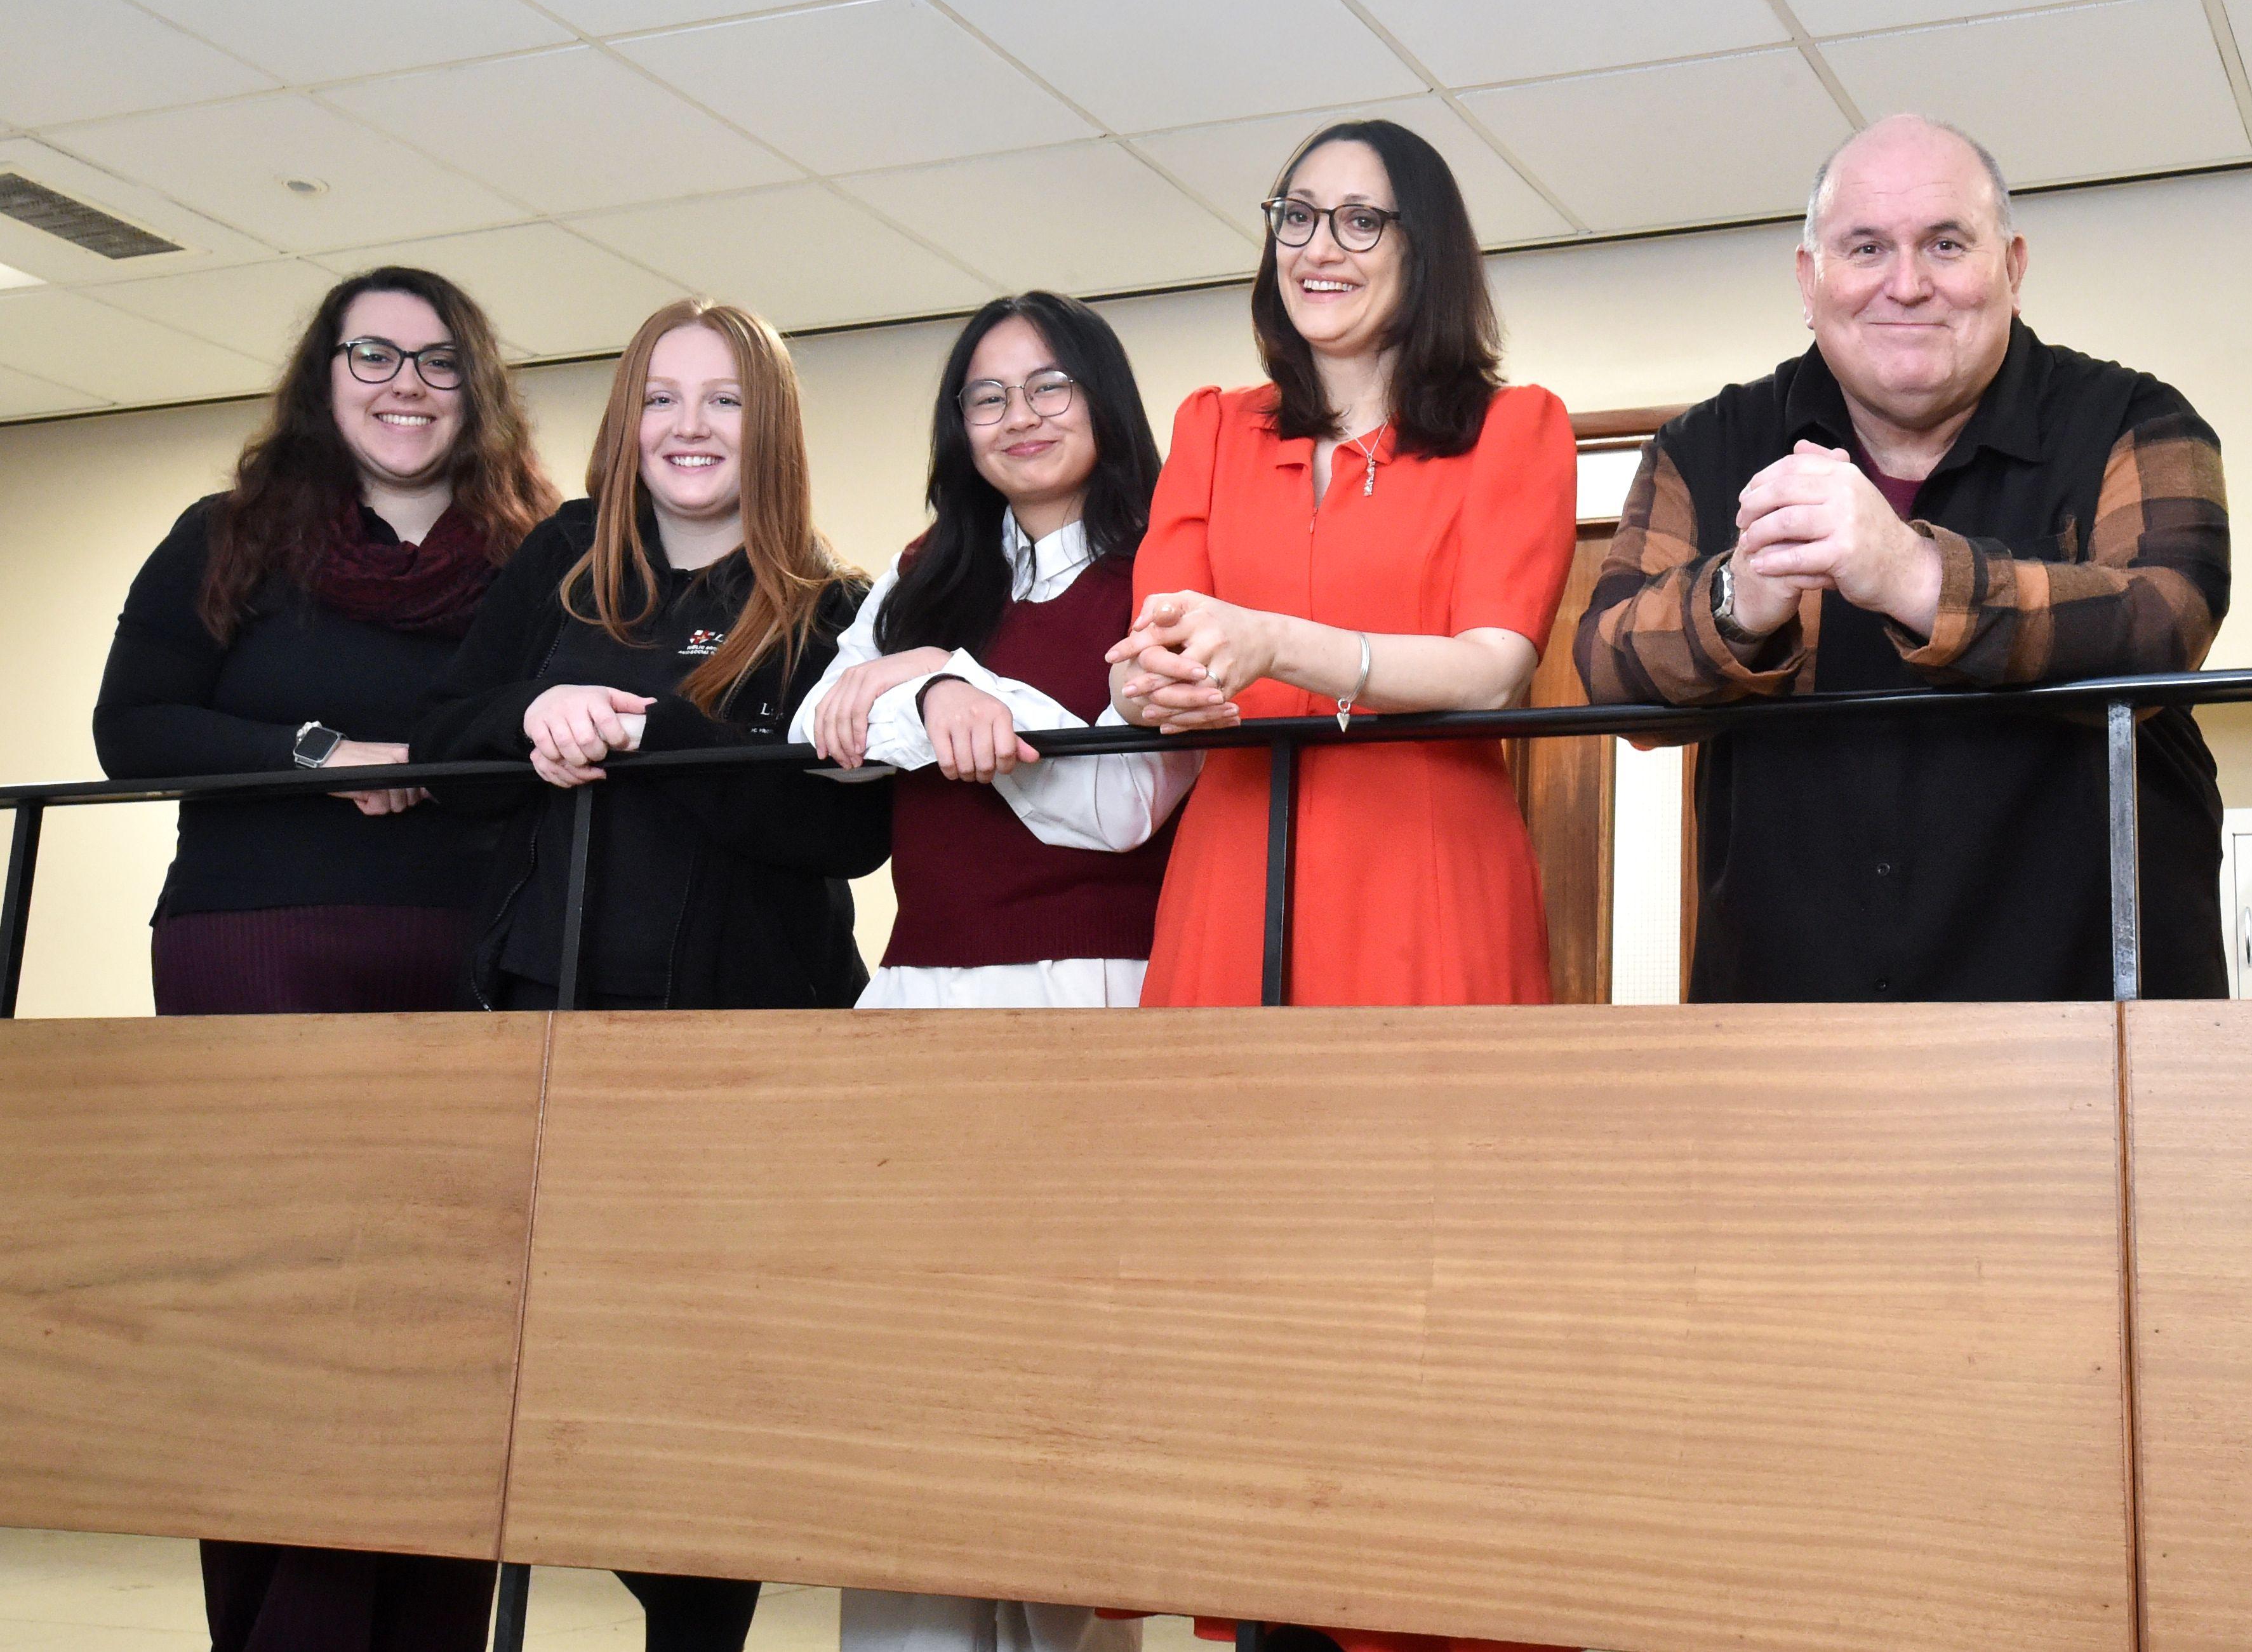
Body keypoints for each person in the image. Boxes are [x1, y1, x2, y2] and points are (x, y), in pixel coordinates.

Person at [91, 265, 554, 1652]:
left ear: (476, 388)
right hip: (257, 950)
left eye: (438, 361)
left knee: (439, 1320)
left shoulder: (537, 554)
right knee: (281, 1309)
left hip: (467, 960)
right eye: (374, 355)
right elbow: (132, 728)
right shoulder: (227, 536)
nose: (407, 385)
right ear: (324, 375)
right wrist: (316, 755)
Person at [415, 296, 887, 1652]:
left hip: (741, 1052)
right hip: (543, 1025)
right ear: (628, 422)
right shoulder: (563, 561)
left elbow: (845, 832)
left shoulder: (834, 608)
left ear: (770, 426)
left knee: (703, 1383)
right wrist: (530, 713)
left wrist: (654, 735)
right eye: (663, 398)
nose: (690, 426)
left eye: (724, 399)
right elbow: (447, 752)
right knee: (546, 1368)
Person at [1576, 113, 2232, 1002]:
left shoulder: (2137, 421)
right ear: (1809, 280)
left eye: (1946, 245)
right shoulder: (1701, 447)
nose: (1908, 285)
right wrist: (1737, 596)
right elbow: (1606, 673)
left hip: (2088, 1016)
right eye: (1866, 249)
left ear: (2013, 268)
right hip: (1787, 1017)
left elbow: (2167, 624)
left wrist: (1914, 576)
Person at [790, 291, 1194, 1652]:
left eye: (1049, 386)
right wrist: (930, 683)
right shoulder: (927, 568)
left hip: (1092, 1004)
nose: (1018, 417)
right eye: (986, 395)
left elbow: (1121, 800)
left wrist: (945, 684)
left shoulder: (1165, 566)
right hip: (920, 999)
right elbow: (822, 732)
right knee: (904, 1385)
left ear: (1105, 402)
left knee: (1059, 1393)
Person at [1114, 117, 1577, 1015]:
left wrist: (1274, 644)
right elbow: (1146, 666)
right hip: (1235, 867)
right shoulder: (1213, 428)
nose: (1318, 248)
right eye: (1297, 216)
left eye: (1360, 221)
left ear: (1423, 248)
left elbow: (1492, 672)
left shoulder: (1512, 429)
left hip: (1425, 865)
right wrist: (1147, 686)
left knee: (1421, 1109)